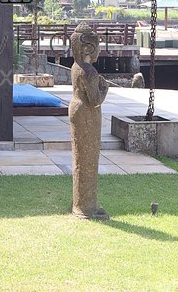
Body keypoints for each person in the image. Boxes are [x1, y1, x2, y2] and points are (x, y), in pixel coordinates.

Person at [69, 23, 109, 220]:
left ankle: (82, 202)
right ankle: (85, 206)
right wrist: (104, 89)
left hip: (76, 109)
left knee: (81, 158)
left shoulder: (76, 67)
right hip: (87, 112)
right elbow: (95, 99)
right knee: (88, 158)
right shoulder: (89, 71)